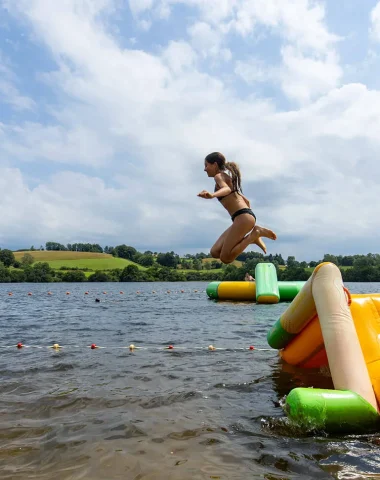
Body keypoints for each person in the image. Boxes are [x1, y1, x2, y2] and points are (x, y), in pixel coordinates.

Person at [197, 152, 276, 264]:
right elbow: (246, 201)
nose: (205, 169)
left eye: (206, 165)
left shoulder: (218, 176)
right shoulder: (227, 178)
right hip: (243, 217)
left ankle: (255, 234)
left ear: (214, 165)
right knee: (215, 252)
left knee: (225, 258)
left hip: (242, 217)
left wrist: (212, 195)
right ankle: (254, 237)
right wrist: (247, 222)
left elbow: (227, 190)